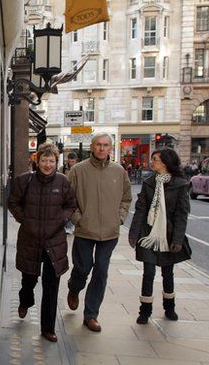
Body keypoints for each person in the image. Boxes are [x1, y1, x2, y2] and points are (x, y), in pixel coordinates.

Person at [7, 143, 77, 342]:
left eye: (52, 161)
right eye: (44, 160)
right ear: (37, 160)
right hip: (30, 238)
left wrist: (62, 219)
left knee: (51, 286)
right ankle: (25, 302)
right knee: (28, 280)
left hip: (54, 241)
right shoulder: (24, 181)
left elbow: (71, 204)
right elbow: (13, 202)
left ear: (57, 162)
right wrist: (25, 219)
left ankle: (48, 328)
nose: (47, 165)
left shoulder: (63, 182)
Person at [65, 132, 132, 332]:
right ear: (92, 147)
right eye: (98, 145)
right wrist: (78, 219)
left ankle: (91, 315)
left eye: (106, 145)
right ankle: (74, 288)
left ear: (111, 148)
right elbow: (68, 199)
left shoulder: (119, 171)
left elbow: (126, 199)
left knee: (101, 271)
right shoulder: (78, 170)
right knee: (83, 268)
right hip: (85, 230)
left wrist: (119, 218)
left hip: (109, 233)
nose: (102, 148)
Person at [128, 149, 192, 324]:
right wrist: (134, 233)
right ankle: (145, 311)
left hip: (168, 235)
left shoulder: (180, 184)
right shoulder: (149, 183)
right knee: (148, 272)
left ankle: (169, 307)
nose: (152, 162)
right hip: (149, 233)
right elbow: (141, 209)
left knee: (167, 272)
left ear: (165, 162)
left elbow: (181, 213)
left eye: (155, 159)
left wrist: (178, 239)